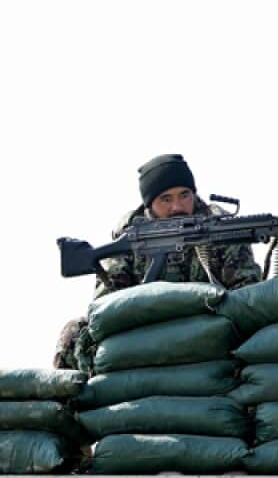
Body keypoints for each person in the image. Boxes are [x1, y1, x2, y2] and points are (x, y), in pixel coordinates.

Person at [53, 154, 262, 370]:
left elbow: (246, 296)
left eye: (184, 195)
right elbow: (105, 308)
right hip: (144, 331)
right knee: (74, 333)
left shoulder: (220, 228)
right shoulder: (132, 233)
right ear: (150, 204)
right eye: (166, 199)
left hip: (207, 328)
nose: (177, 207)